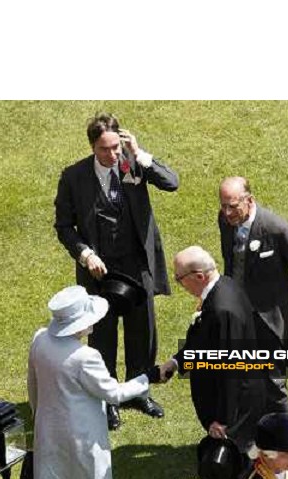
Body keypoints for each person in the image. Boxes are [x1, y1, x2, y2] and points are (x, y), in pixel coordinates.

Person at [54, 112, 179, 430]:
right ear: (92, 147)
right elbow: (65, 226)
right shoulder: (74, 177)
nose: (112, 155)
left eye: (115, 147)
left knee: (143, 333)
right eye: (104, 150)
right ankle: (108, 398)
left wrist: (139, 154)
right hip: (100, 271)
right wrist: (85, 254)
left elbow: (172, 182)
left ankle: (138, 391)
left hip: (137, 266)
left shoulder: (133, 163)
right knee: (103, 337)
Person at [27, 285, 162, 479]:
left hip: (47, 433)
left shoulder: (40, 338)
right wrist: (148, 378)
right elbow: (114, 394)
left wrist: (37, 418)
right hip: (83, 439)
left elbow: (32, 386)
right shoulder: (85, 357)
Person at [160, 246, 266, 479]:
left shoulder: (221, 310)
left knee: (235, 478)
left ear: (199, 276)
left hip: (236, 414)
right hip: (244, 401)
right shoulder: (225, 286)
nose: (178, 284)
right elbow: (207, 342)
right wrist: (176, 362)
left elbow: (230, 369)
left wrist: (223, 420)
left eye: (179, 278)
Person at [217, 176, 288, 414]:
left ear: (249, 200)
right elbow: (230, 261)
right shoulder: (225, 221)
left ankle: (284, 443)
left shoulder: (276, 228)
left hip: (271, 319)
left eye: (232, 206)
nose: (226, 212)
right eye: (223, 205)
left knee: (273, 383)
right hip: (239, 312)